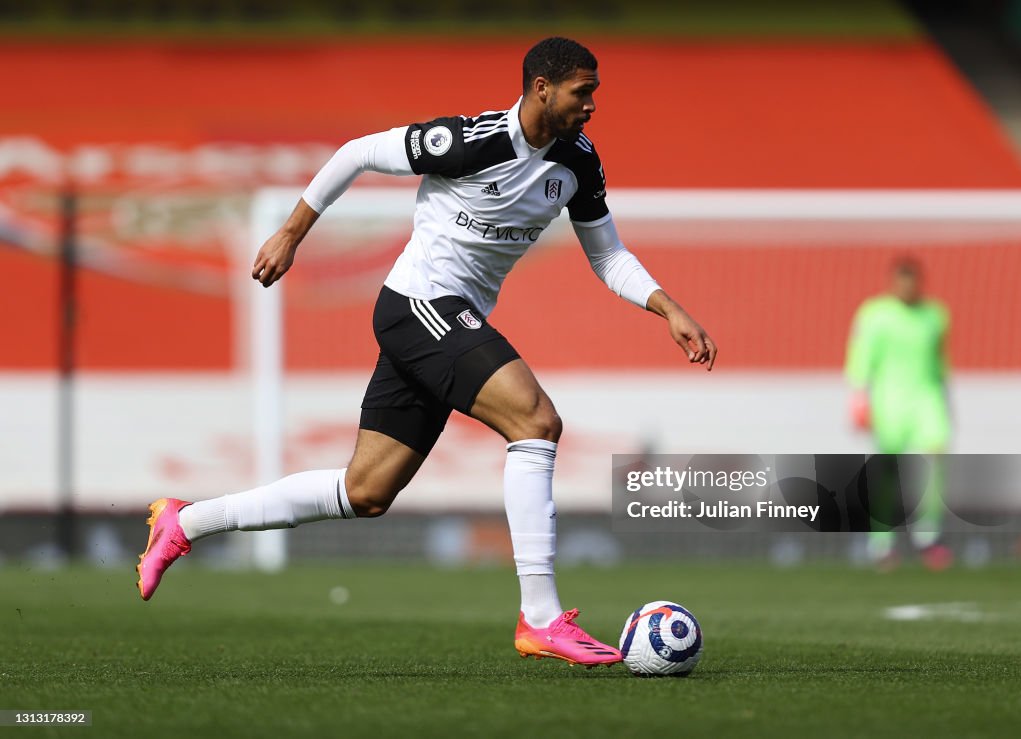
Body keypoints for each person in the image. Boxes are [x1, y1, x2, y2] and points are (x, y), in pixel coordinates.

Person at [137, 37, 717, 666]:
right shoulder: (468, 141)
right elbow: (357, 152)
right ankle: (541, 618)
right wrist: (290, 233)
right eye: (584, 91)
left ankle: (184, 522)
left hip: (442, 321)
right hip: (420, 305)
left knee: (366, 491)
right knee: (536, 422)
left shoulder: (577, 163)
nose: (593, 104)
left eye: (595, 91)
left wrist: (667, 308)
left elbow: (606, 253)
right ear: (542, 88)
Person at [845, 257, 952, 571]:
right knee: (888, 471)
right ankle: (881, 543)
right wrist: (859, 399)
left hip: (927, 396)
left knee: (936, 457)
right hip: (890, 399)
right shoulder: (875, 314)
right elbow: (860, 357)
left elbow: (940, 361)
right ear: (893, 283)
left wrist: (946, 400)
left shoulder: (935, 315)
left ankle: (928, 536)